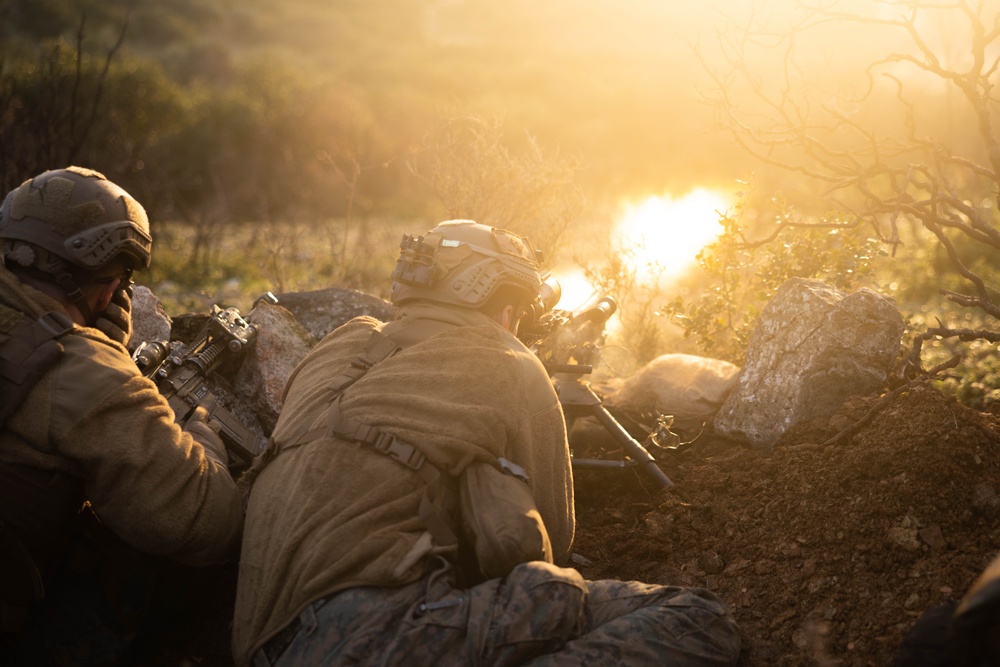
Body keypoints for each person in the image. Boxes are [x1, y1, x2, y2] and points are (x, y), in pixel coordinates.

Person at [233, 219, 741, 666]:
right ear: (502, 306)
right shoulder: (511, 361)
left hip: (260, 639)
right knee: (696, 619)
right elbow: (552, 546)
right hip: (380, 633)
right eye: (516, 311)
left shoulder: (338, 345)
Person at [0, 166, 244, 665]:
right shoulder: (80, 371)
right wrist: (202, 433)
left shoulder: (69, 363)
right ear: (108, 289)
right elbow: (205, 523)